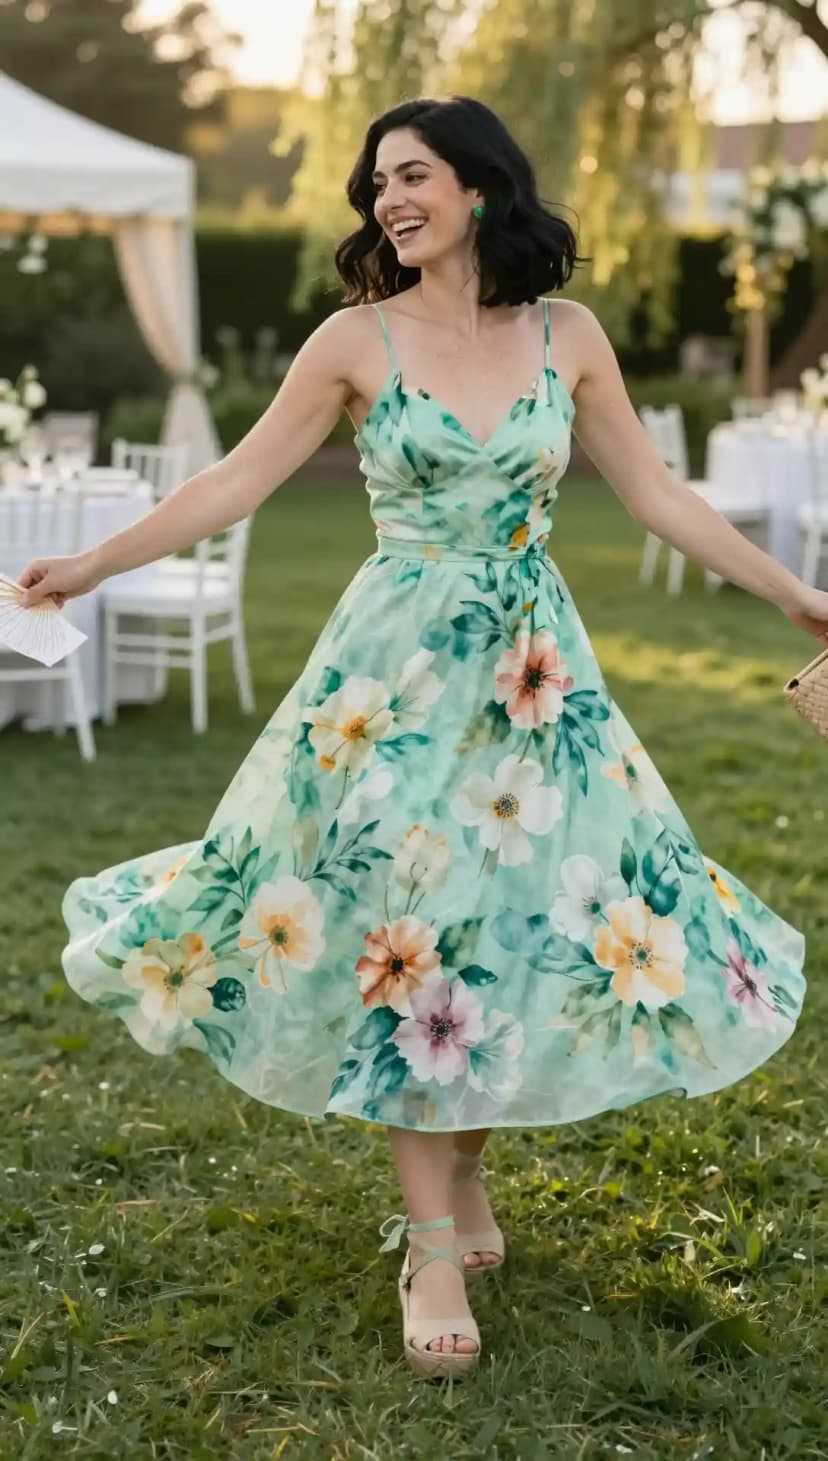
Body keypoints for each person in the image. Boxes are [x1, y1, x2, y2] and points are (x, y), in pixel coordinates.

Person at [19, 96, 825, 1381]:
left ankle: (463, 1186)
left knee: (504, 921)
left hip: (533, 676)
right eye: (375, 184)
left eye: (411, 176)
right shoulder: (355, 340)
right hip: (390, 675)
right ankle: (430, 1242)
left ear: (482, 189)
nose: (388, 201)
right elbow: (233, 481)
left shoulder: (570, 335)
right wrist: (94, 565)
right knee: (410, 924)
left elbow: (658, 495)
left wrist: (797, 596)